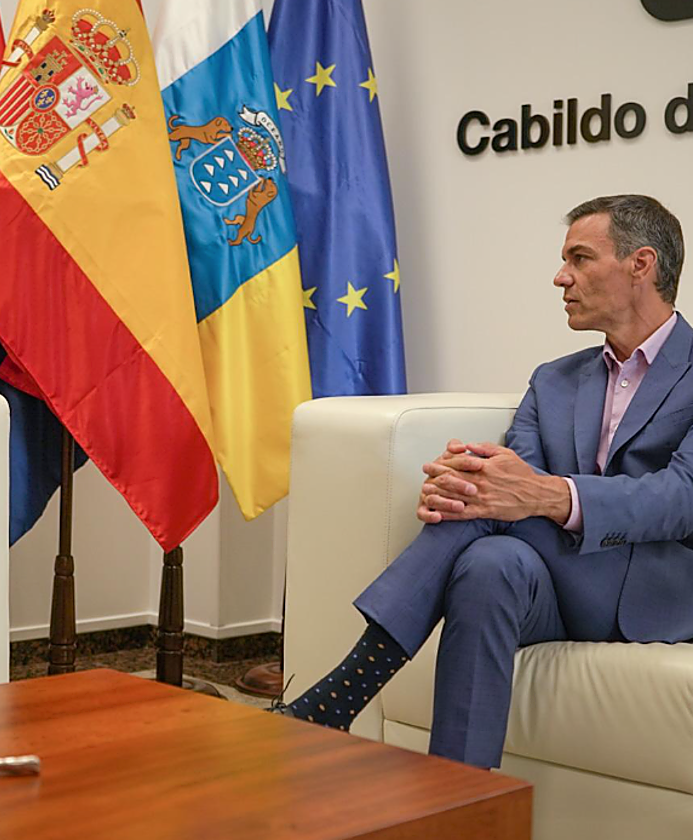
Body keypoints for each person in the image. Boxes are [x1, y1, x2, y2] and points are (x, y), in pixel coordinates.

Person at [275, 194, 689, 769]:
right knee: (488, 564)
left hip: (651, 594)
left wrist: (537, 494)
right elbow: (511, 483)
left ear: (640, 265)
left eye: (580, 258)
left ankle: (342, 692)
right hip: (554, 584)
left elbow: (681, 497)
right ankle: (461, 801)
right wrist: (462, 484)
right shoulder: (554, 381)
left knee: (489, 507)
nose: (560, 276)